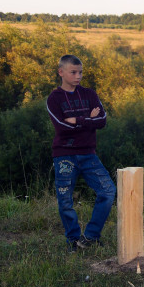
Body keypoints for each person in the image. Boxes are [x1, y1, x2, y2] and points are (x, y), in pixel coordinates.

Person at [46, 55, 116, 252]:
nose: (78, 76)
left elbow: (102, 120)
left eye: (81, 72)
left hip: (88, 154)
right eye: (73, 72)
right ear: (61, 72)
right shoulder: (54, 98)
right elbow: (61, 128)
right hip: (64, 156)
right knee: (65, 200)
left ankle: (90, 237)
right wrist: (87, 119)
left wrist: (76, 120)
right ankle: (73, 241)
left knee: (108, 191)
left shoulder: (89, 94)